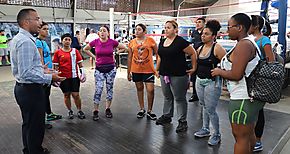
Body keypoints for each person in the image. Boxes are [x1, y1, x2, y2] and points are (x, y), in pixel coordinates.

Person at [10, 8, 65, 154]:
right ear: (26, 22)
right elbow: (26, 73)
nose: (39, 23)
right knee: (35, 125)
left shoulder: (21, 39)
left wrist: (42, 69)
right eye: (37, 19)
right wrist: (50, 77)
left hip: (24, 89)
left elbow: (27, 67)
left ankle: (29, 149)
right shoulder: (26, 42)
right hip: (30, 90)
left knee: (28, 124)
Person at [211, 13, 265, 154]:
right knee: (247, 134)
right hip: (249, 98)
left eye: (229, 27)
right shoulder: (248, 43)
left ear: (239, 27)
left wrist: (219, 71)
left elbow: (236, 75)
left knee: (240, 138)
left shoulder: (244, 45)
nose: (227, 31)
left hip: (242, 98)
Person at [155, 20, 197, 133]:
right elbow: (160, 57)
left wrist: (194, 68)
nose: (166, 29)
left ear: (175, 30)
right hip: (165, 73)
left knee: (179, 98)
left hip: (178, 74)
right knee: (167, 96)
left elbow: (193, 53)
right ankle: (167, 116)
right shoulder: (162, 41)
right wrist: (157, 69)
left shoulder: (180, 42)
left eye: (168, 27)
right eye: (165, 27)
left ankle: (182, 121)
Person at [193, 20, 226, 145]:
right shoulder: (200, 48)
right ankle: (205, 129)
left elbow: (227, 63)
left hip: (212, 83)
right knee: (204, 106)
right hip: (199, 81)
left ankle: (216, 134)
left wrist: (220, 71)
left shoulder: (217, 48)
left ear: (213, 36)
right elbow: (193, 60)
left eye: (206, 34)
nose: (203, 36)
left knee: (211, 109)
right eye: (203, 34)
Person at [83, 25, 127, 121]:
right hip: (99, 69)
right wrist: (94, 57)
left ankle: (108, 108)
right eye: (100, 31)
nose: (102, 32)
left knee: (109, 89)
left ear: (108, 33)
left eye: (104, 31)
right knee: (98, 89)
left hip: (111, 69)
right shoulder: (95, 42)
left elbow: (124, 47)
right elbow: (85, 49)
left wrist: (115, 53)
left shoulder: (112, 42)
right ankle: (95, 110)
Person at [248, 15, 275, 152]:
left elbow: (271, 61)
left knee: (259, 111)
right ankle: (252, 137)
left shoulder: (264, 40)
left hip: (259, 80)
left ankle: (258, 140)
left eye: (249, 24)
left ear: (256, 26)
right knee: (252, 111)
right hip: (249, 80)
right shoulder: (250, 40)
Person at [127, 23, 158, 120]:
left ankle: (150, 110)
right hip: (136, 70)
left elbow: (158, 54)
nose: (136, 31)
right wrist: (128, 72)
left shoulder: (151, 41)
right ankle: (142, 109)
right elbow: (130, 57)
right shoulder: (132, 42)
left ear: (145, 31)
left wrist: (157, 69)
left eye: (139, 29)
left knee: (150, 90)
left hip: (149, 70)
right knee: (139, 89)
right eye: (136, 29)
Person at [53, 33, 86, 120]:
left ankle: (79, 110)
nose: (67, 41)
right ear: (62, 41)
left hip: (74, 77)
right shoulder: (58, 52)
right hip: (63, 78)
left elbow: (80, 64)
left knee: (76, 95)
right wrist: (55, 78)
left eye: (69, 40)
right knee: (66, 95)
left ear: (71, 41)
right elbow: (56, 67)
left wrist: (83, 73)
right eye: (65, 39)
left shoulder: (75, 51)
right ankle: (70, 110)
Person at [36, 21, 63, 129]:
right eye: (44, 29)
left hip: (48, 73)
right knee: (42, 98)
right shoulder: (38, 42)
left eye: (47, 29)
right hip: (44, 74)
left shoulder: (43, 42)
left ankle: (49, 114)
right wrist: (45, 73)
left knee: (46, 96)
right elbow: (40, 59)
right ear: (39, 30)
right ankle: (41, 121)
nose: (47, 31)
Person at [189, 17, 206, 102]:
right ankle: (194, 94)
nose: (197, 24)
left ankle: (203, 96)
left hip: (204, 56)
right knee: (194, 76)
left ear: (204, 23)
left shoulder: (206, 32)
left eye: (199, 22)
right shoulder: (194, 32)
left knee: (202, 75)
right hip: (194, 57)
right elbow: (190, 42)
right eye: (196, 22)